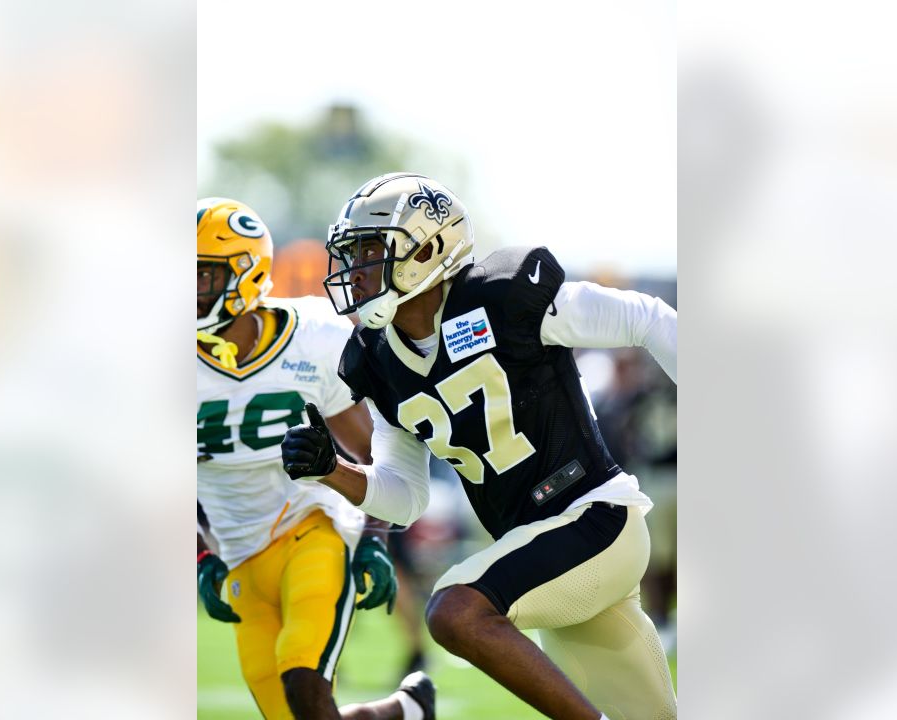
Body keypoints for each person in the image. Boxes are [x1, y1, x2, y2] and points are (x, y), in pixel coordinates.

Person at [281, 174, 678, 720]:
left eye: (373, 250)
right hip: (541, 549)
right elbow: (406, 498)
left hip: (595, 519)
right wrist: (334, 470)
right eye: (354, 253)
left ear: (428, 247)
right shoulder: (376, 360)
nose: (358, 268)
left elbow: (645, 318)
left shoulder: (502, 296)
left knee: (456, 611)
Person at [195, 197, 435, 720]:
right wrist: (199, 556)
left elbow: (377, 453)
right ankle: (402, 712)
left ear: (244, 274)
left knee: (305, 681)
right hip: (239, 556)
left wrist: (374, 541)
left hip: (314, 529)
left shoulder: (312, 340)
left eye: (201, 277)